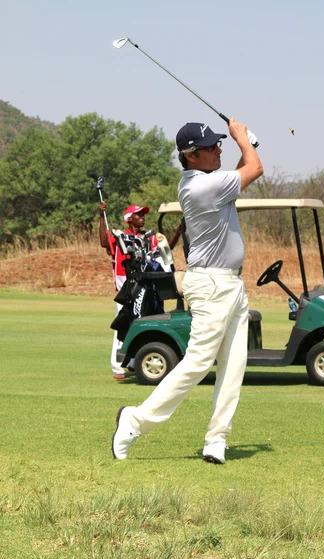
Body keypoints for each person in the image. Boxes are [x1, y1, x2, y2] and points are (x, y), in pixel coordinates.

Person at [112, 117, 263, 463]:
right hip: (212, 284)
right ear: (191, 155)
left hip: (230, 283)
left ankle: (216, 439)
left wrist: (246, 147)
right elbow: (254, 169)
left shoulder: (209, 182)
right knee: (197, 362)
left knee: (234, 364)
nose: (218, 149)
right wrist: (244, 139)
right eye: (211, 147)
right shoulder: (200, 187)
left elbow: (243, 171)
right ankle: (134, 420)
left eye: (219, 143)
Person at [99, 203, 159, 380]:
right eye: (138, 214)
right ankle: (118, 366)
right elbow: (104, 242)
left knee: (143, 324)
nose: (142, 217)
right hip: (126, 288)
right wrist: (101, 216)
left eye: (143, 214)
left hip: (145, 287)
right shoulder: (120, 237)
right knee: (124, 324)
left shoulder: (150, 238)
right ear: (129, 219)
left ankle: (134, 362)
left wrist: (179, 232)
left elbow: (161, 253)